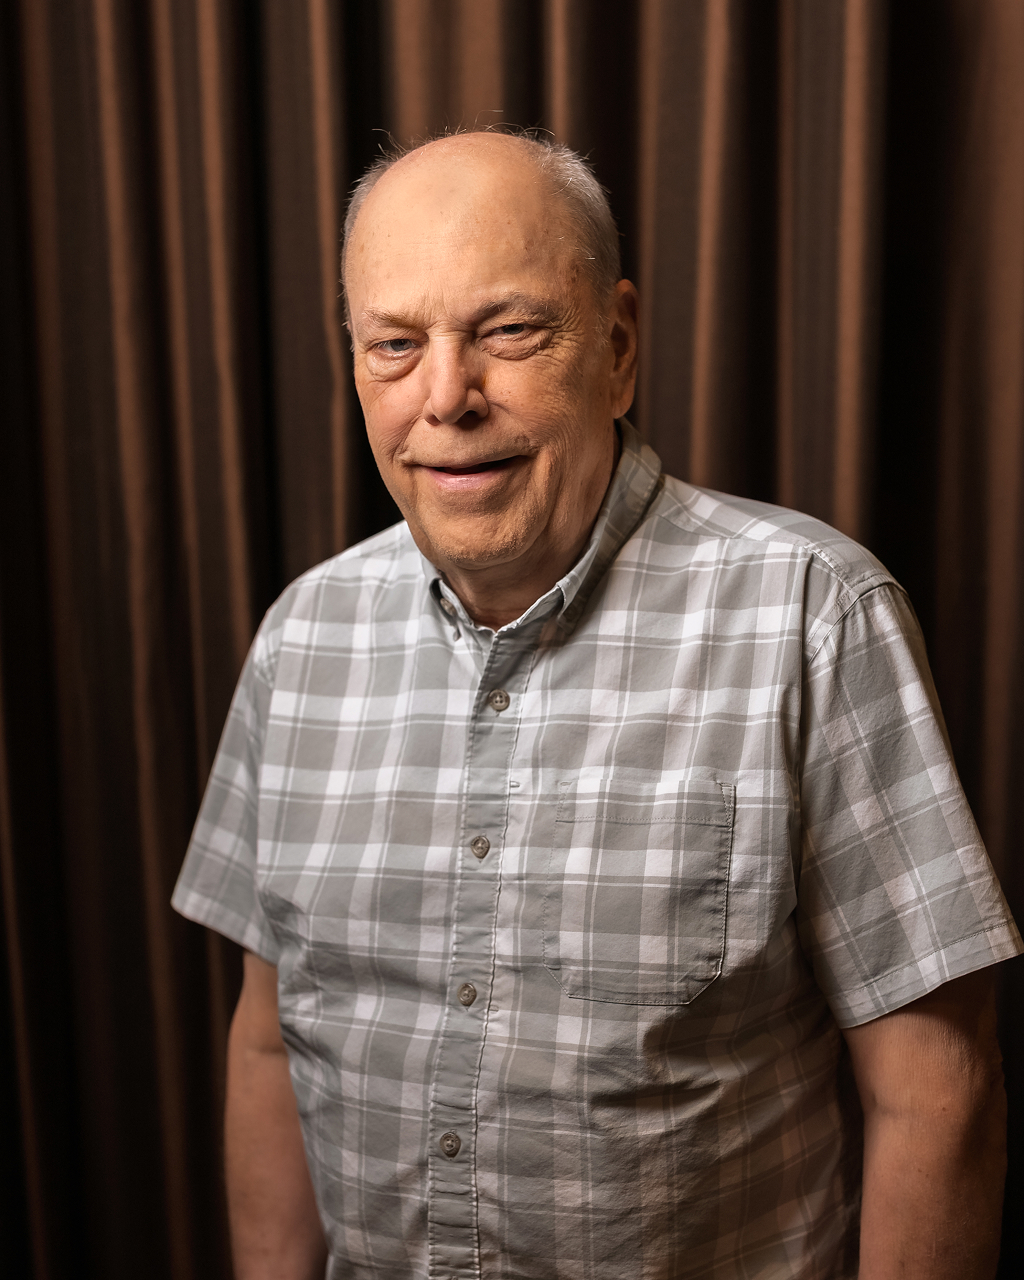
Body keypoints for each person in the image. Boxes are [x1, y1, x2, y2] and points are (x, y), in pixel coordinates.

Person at [173, 130, 1022, 1280]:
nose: (445, 397)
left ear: (616, 348)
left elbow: (935, 1091)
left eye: (508, 332)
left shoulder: (813, 616)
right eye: (394, 344)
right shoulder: (299, 638)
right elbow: (269, 1042)